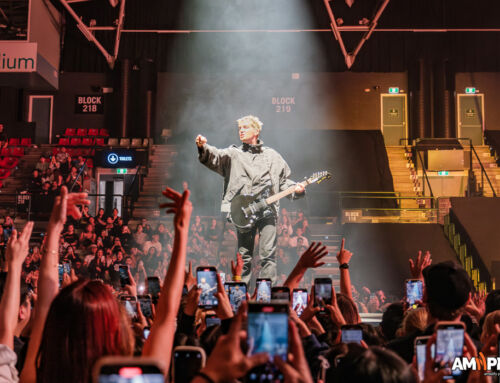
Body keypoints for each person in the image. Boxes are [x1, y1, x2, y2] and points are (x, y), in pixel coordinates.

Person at [196, 115, 305, 284]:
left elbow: (283, 182)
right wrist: (203, 147)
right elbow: (215, 156)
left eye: (245, 127)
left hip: (267, 210)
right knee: (244, 256)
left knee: (268, 255)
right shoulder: (234, 154)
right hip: (244, 211)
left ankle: (266, 295)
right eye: (239, 128)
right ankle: (240, 294)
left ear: (256, 130)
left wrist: (296, 189)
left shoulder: (273, 156)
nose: (241, 130)